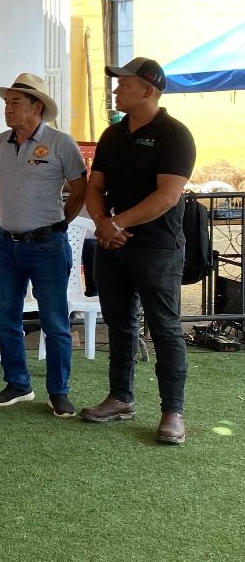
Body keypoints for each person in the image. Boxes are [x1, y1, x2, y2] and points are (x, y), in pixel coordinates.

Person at [80, 57, 196, 445]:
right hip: (112, 244)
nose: (116, 90)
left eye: (124, 84)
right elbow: (95, 186)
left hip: (157, 247)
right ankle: (120, 398)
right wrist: (102, 223)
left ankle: (172, 412)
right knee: (120, 325)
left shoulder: (174, 135)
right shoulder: (113, 135)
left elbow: (167, 196)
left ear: (148, 89)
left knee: (164, 328)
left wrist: (116, 224)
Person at [0, 73, 87, 417]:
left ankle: (58, 391)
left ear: (37, 107)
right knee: (7, 319)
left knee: (55, 322)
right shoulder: (1, 142)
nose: (7, 108)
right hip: (7, 243)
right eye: (6, 102)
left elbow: (81, 188)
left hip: (47, 245)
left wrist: (62, 223)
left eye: (15, 102)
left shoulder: (61, 143)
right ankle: (18, 383)